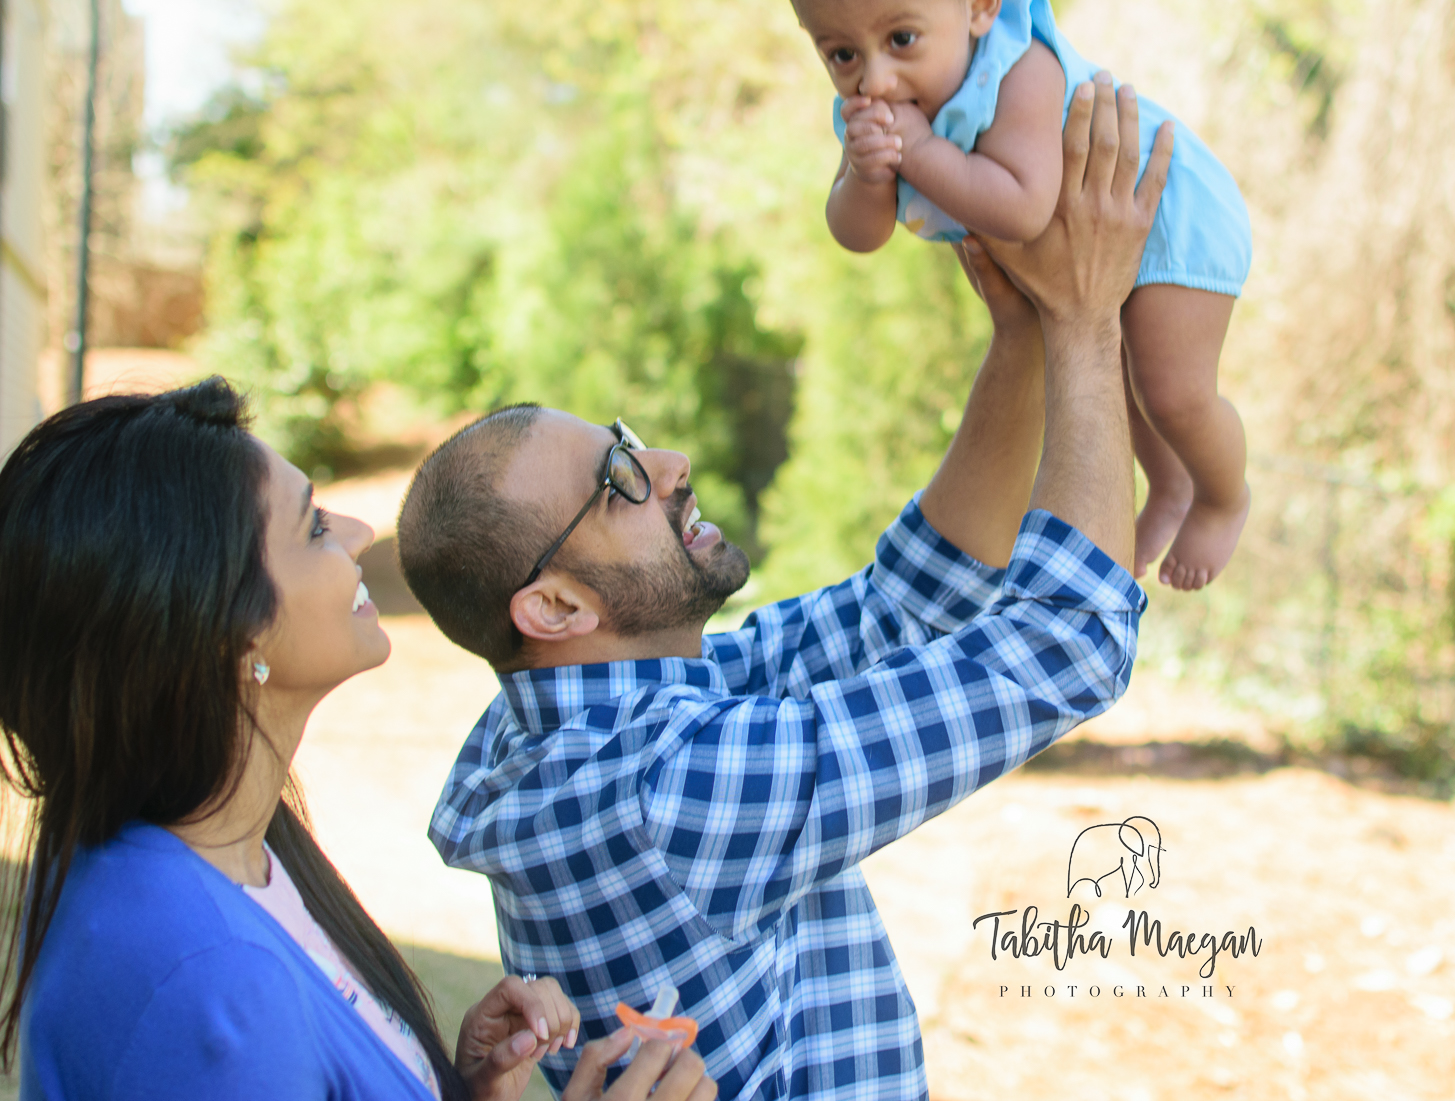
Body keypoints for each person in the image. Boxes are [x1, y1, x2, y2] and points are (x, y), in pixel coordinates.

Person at [396, 75, 1163, 1101]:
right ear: (557, 609)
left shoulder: (582, 725)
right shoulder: (662, 794)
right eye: (619, 482)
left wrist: (1021, 338)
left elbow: (902, 605)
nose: (666, 462)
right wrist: (1085, 324)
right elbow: (1065, 648)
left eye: (625, 442)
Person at [0, 377, 718, 1101]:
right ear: (227, 630)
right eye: (315, 526)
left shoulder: (219, 854)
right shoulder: (214, 984)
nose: (359, 533)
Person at [790, 0, 1253, 591]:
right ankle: (1169, 489)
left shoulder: (1019, 69)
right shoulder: (877, 115)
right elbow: (859, 233)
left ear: (979, 7)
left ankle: (1223, 497)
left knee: (1172, 390)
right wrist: (865, 174)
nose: (873, 79)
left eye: (901, 39)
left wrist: (919, 150)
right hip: (1102, 233)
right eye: (842, 54)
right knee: (1127, 378)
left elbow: (1022, 208)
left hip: (1172, 210)